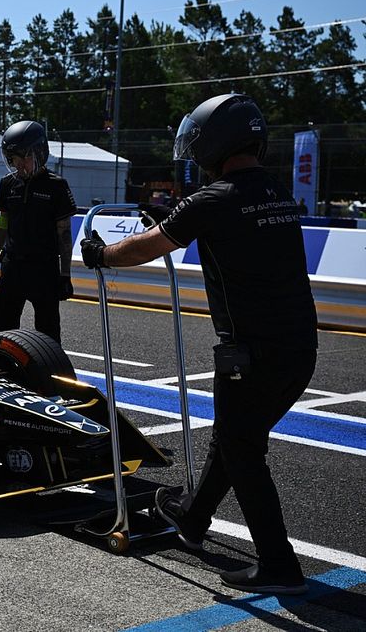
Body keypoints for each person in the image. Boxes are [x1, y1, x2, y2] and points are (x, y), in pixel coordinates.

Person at [80, 93, 317, 596]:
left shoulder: (214, 199)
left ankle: (279, 563)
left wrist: (101, 253)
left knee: (242, 449)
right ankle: (191, 517)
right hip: (300, 348)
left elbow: (148, 246)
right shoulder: (274, 191)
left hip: (250, 353)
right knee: (234, 437)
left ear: (216, 143)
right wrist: (173, 215)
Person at [0, 120, 76, 344]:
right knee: (4, 327)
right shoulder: (8, 184)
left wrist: (65, 274)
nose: (20, 165)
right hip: (12, 266)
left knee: (48, 330)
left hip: (44, 269)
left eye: (24, 158)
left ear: (39, 152)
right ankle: (2, 367)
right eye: (14, 159)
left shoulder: (57, 186)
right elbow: (2, 224)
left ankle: (51, 374)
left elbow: (64, 234)